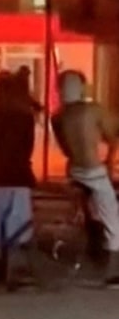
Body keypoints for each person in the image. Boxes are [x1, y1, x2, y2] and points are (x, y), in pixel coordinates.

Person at [51, 69, 119, 280]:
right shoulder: (93, 110)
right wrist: (108, 160)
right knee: (112, 218)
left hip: (75, 171)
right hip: (94, 171)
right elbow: (112, 134)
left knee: (90, 211)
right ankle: (114, 271)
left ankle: (92, 250)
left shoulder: (57, 117)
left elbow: (65, 149)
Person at [0, 72, 36, 291]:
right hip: (19, 178)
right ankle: (7, 275)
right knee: (15, 231)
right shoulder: (25, 119)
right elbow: (27, 149)